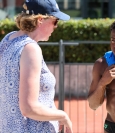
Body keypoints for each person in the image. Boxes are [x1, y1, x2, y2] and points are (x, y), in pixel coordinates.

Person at [0, 0, 73, 133]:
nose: (55, 27)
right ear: (40, 20)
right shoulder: (30, 49)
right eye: (55, 21)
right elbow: (29, 108)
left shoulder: (8, 39)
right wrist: (62, 115)